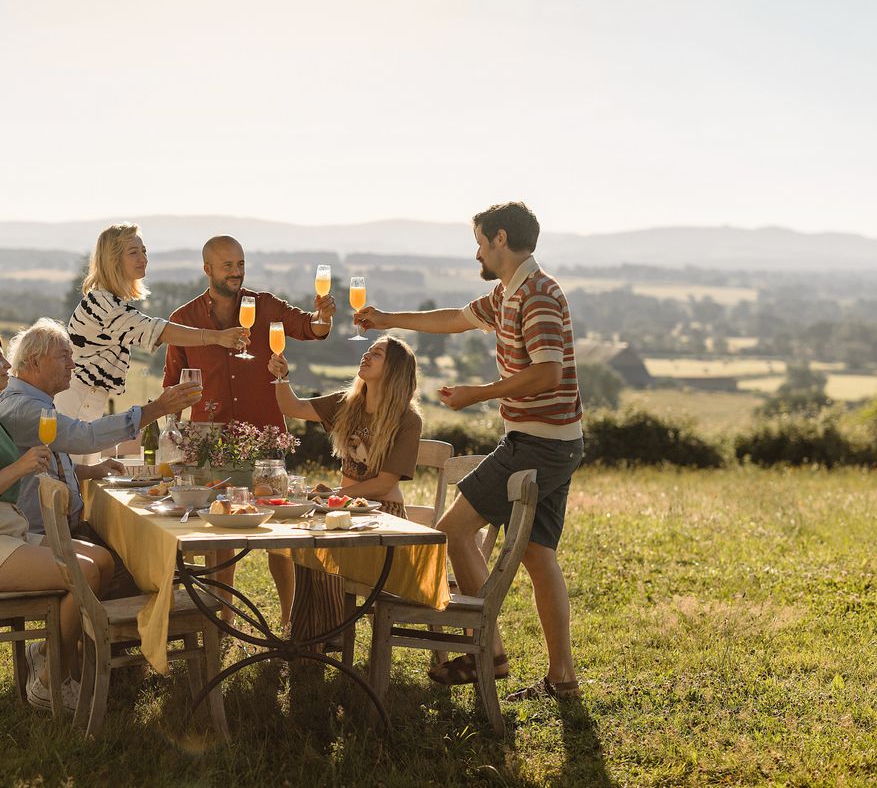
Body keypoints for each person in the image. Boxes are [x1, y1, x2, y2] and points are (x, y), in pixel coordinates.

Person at [354, 201, 584, 701]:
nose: (476, 249)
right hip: (553, 443)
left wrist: (478, 394)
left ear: (500, 239)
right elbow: (453, 319)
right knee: (540, 558)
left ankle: (490, 652)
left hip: (537, 444)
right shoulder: (508, 293)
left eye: (479, 240)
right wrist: (386, 318)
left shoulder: (538, 296)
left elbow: (550, 372)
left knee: (451, 532)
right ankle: (562, 678)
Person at [0, 314, 112, 713]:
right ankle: (49, 679)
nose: (8, 367)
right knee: (84, 573)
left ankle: (54, 656)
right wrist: (19, 467)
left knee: (102, 560)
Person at [163, 235, 337, 627]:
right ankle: (223, 617)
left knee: (280, 534)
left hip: (266, 438)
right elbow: (171, 384)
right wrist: (175, 434)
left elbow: (311, 328)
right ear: (207, 269)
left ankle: (290, 618)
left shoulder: (266, 306)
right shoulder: (185, 320)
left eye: (240, 263)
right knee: (221, 532)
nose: (236, 272)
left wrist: (324, 316)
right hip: (212, 445)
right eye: (227, 265)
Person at [0, 316, 204, 597]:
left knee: (136, 550)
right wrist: (157, 409)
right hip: (44, 535)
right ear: (34, 362)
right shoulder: (26, 410)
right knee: (140, 569)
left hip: (56, 527)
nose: (72, 364)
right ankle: (101, 636)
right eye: (64, 356)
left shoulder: (28, 401)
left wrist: (86, 472)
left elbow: (37, 464)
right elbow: (85, 436)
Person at [267, 336, 423, 643]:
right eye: (369, 350)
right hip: (343, 510)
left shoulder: (407, 418)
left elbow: (384, 483)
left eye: (376, 354)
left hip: (382, 515)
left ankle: (326, 634)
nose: (366, 354)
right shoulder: (347, 403)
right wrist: (281, 377)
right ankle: (312, 636)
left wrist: (333, 495)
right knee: (305, 544)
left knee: (319, 548)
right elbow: (291, 407)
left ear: (394, 369)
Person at [58, 222, 247, 464]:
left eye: (144, 251)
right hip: (75, 405)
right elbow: (157, 329)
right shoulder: (101, 305)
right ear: (113, 260)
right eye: (133, 252)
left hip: (89, 407)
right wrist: (216, 337)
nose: (143, 258)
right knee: (69, 483)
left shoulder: (109, 301)